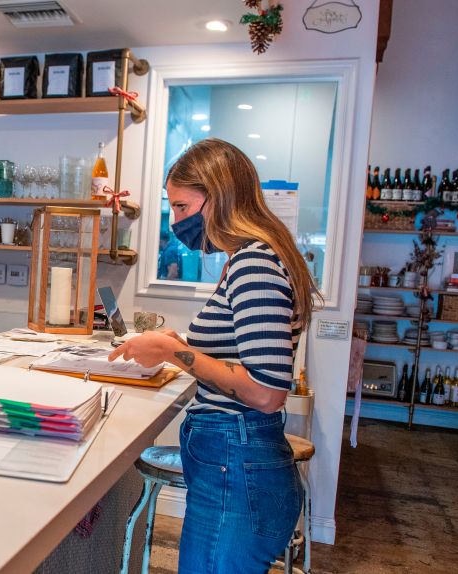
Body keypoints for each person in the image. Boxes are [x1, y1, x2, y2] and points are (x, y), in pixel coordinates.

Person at [109, 138, 319, 573]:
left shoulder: (254, 264)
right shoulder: (248, 259)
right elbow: (241, 354)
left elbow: (266, 392)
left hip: (237, 464)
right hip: (234, 464)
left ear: (219, 196)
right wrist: (183, 347)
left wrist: (172, 351)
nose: (175, 221)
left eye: (182, 207)